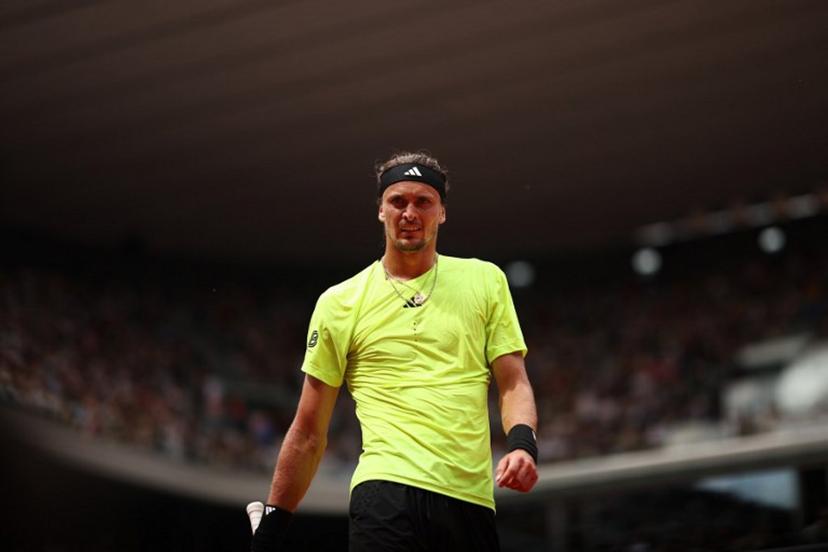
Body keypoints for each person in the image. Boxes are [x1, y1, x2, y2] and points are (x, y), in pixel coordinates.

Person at [251, 151, 538, 551]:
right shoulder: (339, 303)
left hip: (469, 499)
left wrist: (523, 444)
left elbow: (513, 382)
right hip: (384, 492)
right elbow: (308, 431)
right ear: (381, 211)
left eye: (423, 202)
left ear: (441, 213)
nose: (409, 212)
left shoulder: (485, 280)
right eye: (398, 201)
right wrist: (274, 523)